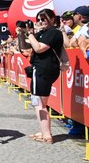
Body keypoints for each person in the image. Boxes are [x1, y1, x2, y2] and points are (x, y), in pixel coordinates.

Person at [22, 8, 63, 144]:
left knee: (39, 103)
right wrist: (24, 34)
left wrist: (31, 36)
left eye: (43, 19)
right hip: (43, 69)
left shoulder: (54, 32)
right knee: (41, 103)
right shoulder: (42, 33)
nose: (40, 22)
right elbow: (26, 48)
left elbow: (39, 48)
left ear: (52, 19)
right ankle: (44, 131)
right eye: (38, 19)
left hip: (43, 69)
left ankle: (46, 135)